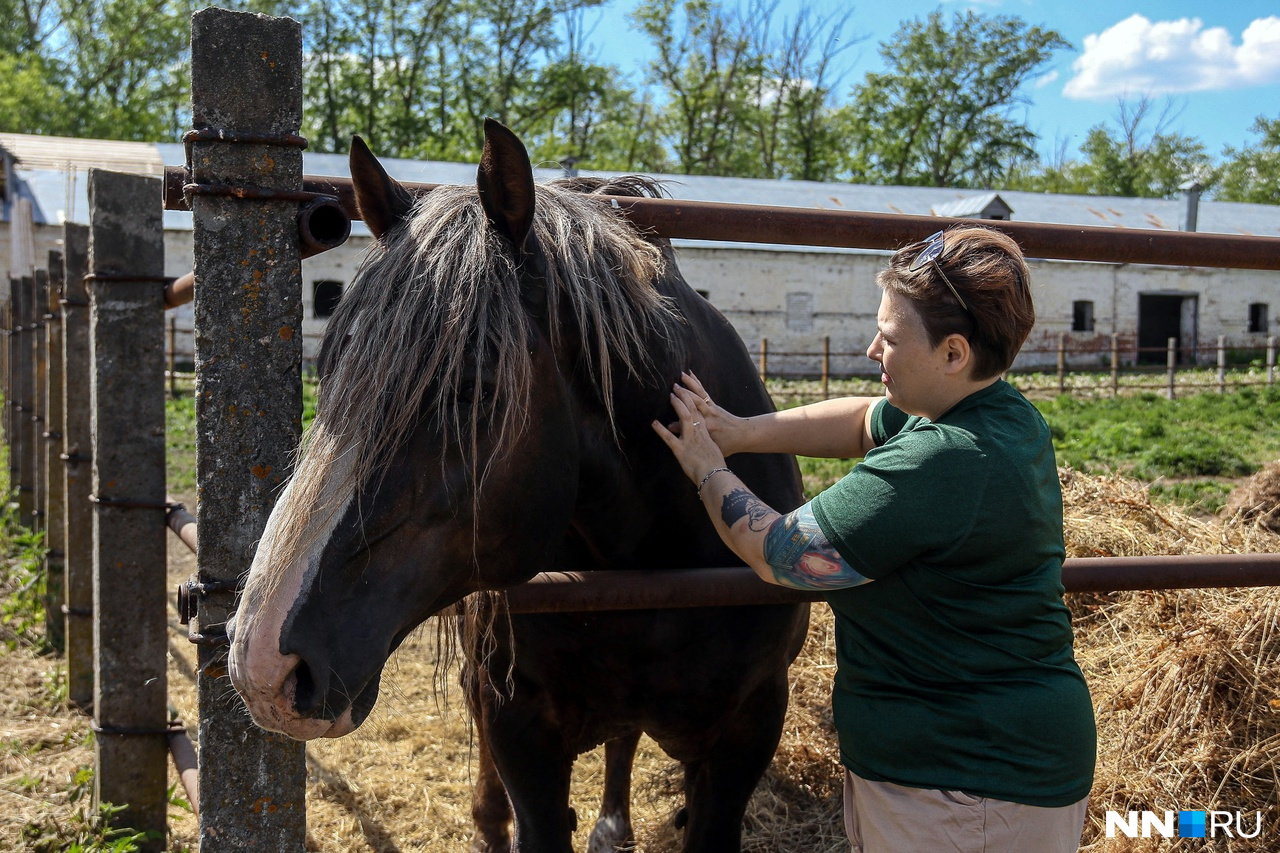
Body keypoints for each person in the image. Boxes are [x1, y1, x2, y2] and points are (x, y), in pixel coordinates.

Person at [652, 225, 1096, 852]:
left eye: (890, 338)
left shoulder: (943, 459)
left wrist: (707, 468)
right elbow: (864, 420)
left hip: (966, 789)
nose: (870, 349)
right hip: (979, 771)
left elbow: (782, 554)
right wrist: (740, 432)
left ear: (953, 353)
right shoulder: (999, 411)